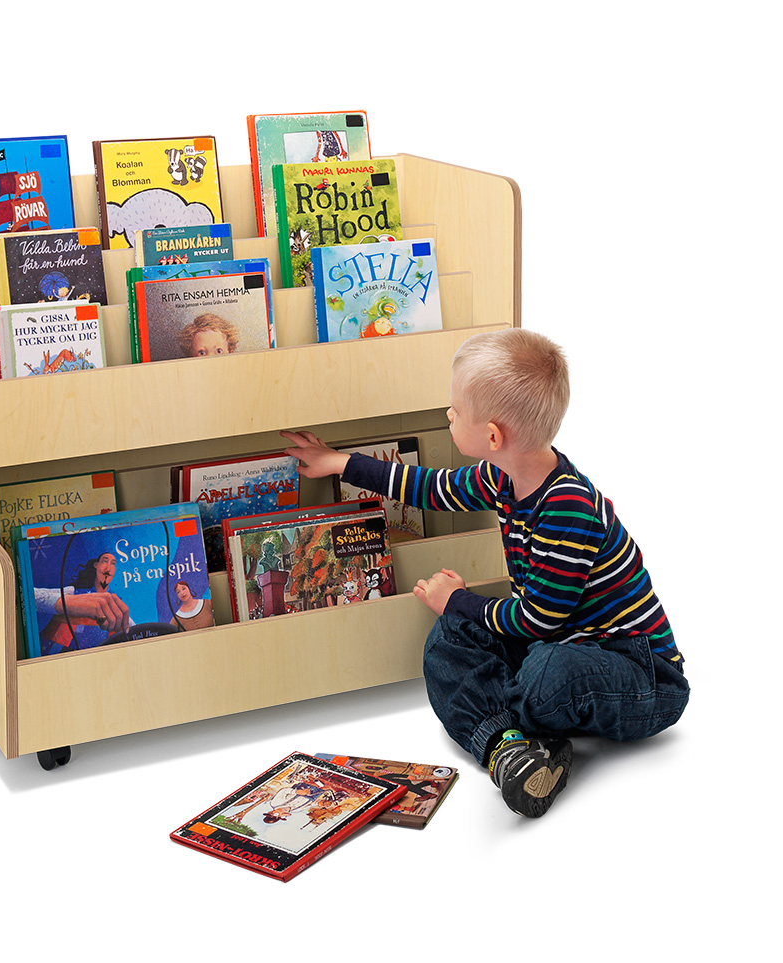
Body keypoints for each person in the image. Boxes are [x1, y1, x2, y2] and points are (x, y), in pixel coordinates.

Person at [282, 328, 689, 819]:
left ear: (493, 437)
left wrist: (457, 599)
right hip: (557, 640)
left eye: (455, 410)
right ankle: (510, 752)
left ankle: (509, 727)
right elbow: (430, 488)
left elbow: (538, 620)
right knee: (449, 638)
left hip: (638, 673)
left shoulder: (568, 507)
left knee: (547, 671)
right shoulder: (503, 475)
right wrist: (338, 463)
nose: (448, 415)